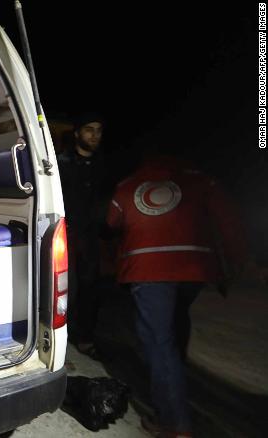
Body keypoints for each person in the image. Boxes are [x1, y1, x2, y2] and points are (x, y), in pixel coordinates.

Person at [106, 153, 247, 437]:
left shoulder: (128, 186)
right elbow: (230, 223)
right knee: (175, 326)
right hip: (193, 270)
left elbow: (111, 222)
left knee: (158, 342)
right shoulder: (200, 180)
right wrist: (235, 264)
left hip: (148, 271)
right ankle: (176, 386)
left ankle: (174, 422)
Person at [56, 112, 108, 358]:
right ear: (77, 133)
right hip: (65, 236)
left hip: (91, 238)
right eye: (89, 129)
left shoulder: (103, 165)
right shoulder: (60, 163)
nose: (94, 135)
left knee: (91, 288)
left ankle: (85, 338)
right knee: (66, 288)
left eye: (98, 130)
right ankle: (60, 338)